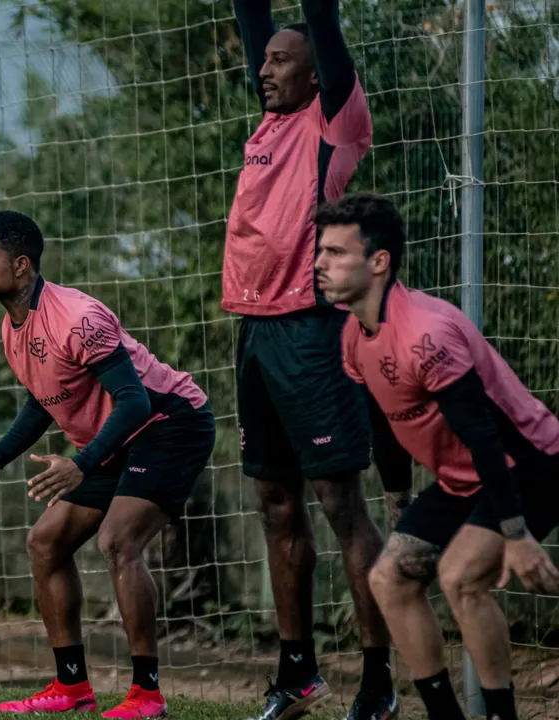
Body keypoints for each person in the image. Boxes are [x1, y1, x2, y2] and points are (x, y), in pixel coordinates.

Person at [0, 211, 216, 719]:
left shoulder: (77, 317)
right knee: (45, 543)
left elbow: (133, 402)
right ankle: (71, 687)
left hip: (169, 422)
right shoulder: (12, 325)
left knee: (118, 542)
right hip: (113, 440)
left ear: (21, 266)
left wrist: (82, 463)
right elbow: (43, 401)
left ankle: (147, 696)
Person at [315, 192, 559, 720]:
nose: (319, 263)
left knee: (460, 576)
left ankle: (500, 715)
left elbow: (485, 434)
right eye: (321, 251)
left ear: (379, 261)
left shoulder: (426, 334)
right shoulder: (354, 336)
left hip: (530, 468)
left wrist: (515, 534)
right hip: (462, 482)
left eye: (335, 252)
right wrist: (400, 505)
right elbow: (384, 423)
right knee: (389, 577)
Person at [226, 0, 399, 717]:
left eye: (279, 60)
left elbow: (322, 24)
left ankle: (380, 678)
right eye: (262, 60)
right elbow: (249, 18)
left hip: (312, 332)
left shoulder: (335, 123)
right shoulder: (269, 117)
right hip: (255, 333)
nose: (263, 69)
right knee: (275, 504)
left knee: (340, 505)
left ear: (314, 75)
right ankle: (296, 673)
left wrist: (314, 26)